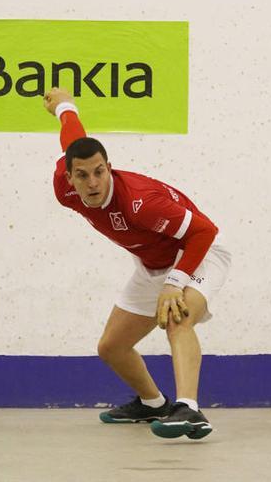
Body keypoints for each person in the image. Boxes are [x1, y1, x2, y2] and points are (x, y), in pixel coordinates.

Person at [43, 87, 231, 440]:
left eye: (100, 172)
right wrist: (64, 106)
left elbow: (204, 231)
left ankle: (189, 409)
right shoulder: (64, 189)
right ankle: (153, 403)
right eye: (82, 175)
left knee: (177, 319)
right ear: (69, 178)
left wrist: (176, 283)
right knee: (111, 347)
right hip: (152, 262)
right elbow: (73, 138)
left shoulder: (140, 204)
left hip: (199, 253)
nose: (93, 182)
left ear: (109, 168)